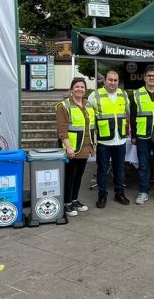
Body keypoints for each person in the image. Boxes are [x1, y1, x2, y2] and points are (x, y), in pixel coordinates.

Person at [88, 70, 130, 208]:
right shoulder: (95, 95)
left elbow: (127, 115)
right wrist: (92, 141)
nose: (113, 82)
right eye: (110, 80)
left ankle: (120, 193)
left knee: (119, 169)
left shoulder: (123, 94)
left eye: (115, 80)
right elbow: (89, 120)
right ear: (104, 81)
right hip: (103, 140)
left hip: (120, 139)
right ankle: (102, 196)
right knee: (103, 169)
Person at [130, 65, 154, 205]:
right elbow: (133, 116)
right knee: (143, 166)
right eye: (149, 76)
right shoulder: (136, 94)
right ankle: (143, 192)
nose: (151, 78)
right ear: (144, 78)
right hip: (142, 135)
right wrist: (133, 136)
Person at [57, 77, 95, 217]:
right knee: (69, 176)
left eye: (82, 87)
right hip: (72, 148)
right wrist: (68, 147)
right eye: (77, 87)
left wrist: (93, 145)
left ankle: (74, 199)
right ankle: (66, 202)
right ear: (71, 89)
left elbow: (92, 127)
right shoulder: (64, 105)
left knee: (79, 176)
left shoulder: (88, 105)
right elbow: (62, 130)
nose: (80, 89)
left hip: (84, 147)